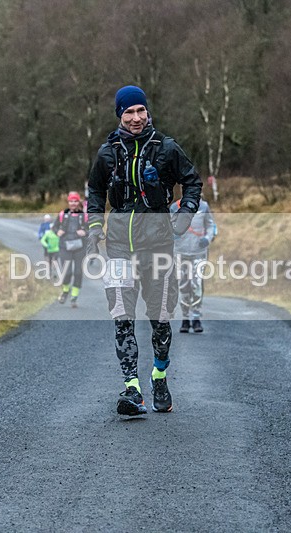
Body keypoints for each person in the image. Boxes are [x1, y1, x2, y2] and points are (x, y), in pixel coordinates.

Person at [87, 85, 202, 416]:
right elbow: (95, 190)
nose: (136, 118)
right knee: (122, 317)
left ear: (147, 112)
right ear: (119, 115)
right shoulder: (107, 153)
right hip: (120, 246)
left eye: (141, 111)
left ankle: (159, 377)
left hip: (158, 246)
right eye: (129, 112)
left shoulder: (166, 148)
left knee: (161, 319)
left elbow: (192, 182)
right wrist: (95, 228)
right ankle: (132, 388)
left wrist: (184, 215)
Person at [170, 197, 217, 334]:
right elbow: (167, 226)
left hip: (199, 252)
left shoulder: (203, 206)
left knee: (196, 284)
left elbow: (210, 226)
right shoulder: (175, 207)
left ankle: (196, 317)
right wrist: (173, 235)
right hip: (180, 252)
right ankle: (185, 318)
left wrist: (207, 239)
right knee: (183, 286)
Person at [53, 192, 88, 308]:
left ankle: (74, 297)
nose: (73, 203)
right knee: (66, 272)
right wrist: (57, 232)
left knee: (78, 273)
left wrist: (85, 232)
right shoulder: (63, 214)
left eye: (75, 201)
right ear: (68, 202)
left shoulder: (84, 216)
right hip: (65, 247)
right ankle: (65, 290)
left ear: (78, 202)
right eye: (71, 201)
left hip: (80, 248)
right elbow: (54, 227)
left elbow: (91, 230)